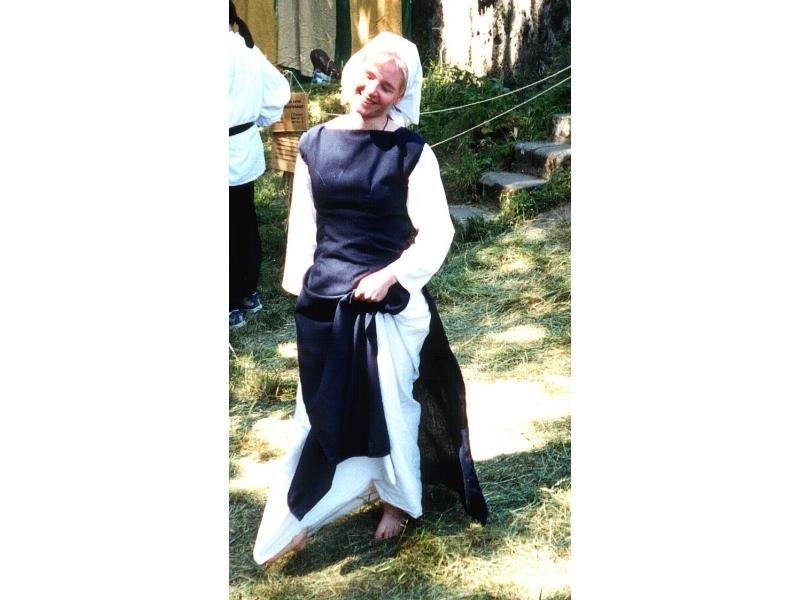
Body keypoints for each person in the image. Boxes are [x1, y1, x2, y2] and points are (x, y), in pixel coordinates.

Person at [252, 32, 487, 565]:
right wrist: (303, 293)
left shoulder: (411, 152)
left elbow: (437, 232)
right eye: (368, 76)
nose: (372, 90)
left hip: (389, 306)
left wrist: (391, 276)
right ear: (351, 73)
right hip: (327, 302)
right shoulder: (314, 143)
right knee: (316, 413)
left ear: (401, 96)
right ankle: (300, 516)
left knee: (393, 408)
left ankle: (399, 501)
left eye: (387, 85)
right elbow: (305, 226)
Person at [229, 1, 291, 329]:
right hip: (243, 144)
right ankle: (247, 292)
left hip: (231, 143)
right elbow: (278, 91)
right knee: (243, 219)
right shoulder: (247, 50)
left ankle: (229, 301)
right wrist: (260, 118)